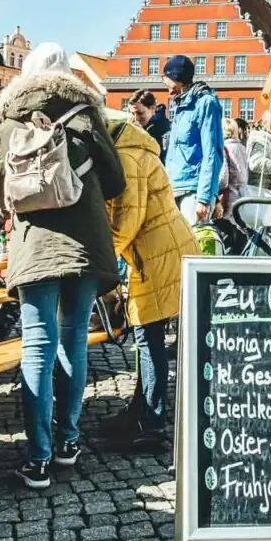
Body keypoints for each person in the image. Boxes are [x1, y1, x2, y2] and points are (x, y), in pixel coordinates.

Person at [0, 42, 125, 489]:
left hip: (35, 241)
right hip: (84, 241)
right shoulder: (87, 113)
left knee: (37, 346)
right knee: (74, 342)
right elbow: (117, 178)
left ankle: (38, 458)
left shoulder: (9, 118)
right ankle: (68, 441)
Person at [98, 117, 198, 450]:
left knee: (148, 339)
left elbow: (127, 221)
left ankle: (153, 425)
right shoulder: (134, 149)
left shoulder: (126, 158)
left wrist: (99, 253)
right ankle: (139, 410)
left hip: (157, 255)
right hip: (164, 248)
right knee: (148, 337)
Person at [161, 55, 223, 225]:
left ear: (176, 77)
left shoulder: (206, 103)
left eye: (165, 77)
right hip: (175, 189)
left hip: (193, 191)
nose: (164, 82)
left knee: (195, 247)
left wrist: (204, 198)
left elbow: (212, 153)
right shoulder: (181, 106)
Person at [217, 117, 250, 221]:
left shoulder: (223, 149)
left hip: (229, 201)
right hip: (244, 198)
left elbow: (223, 180)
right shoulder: (244, 149)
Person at [128, 89, 170, 157]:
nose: (136, 118)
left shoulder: (162, 130)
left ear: (153, 109)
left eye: (140, 113)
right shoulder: (135, 127)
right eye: (132, 113)